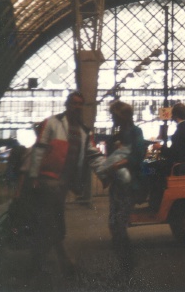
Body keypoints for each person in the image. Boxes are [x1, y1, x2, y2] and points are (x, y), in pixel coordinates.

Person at [26, 91, 90, 278]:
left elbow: (85, 158)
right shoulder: (53, 123)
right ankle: (61, 262)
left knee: (52, 223)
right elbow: (39, 149)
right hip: (49, 180)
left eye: (80, 104)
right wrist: (34, 176)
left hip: (64, 183)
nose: (76, 106)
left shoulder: (84, 131)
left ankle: (46, 262)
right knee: (52, 223)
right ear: (67, 104)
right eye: (74, 103)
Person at [104, 101, 146, 274]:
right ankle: (126, 264)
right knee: (114, 225)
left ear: (123, 115)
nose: (112, 118)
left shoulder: (136, 132)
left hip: (129, 186)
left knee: (118, 225)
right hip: (117, 186)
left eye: (114, 115)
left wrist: (119, 163)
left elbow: (138, 155)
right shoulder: (116, 136)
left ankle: (127, 266)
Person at [148, 103, 185, 209]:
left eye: (172, 115)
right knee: (155, 166)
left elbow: (173, 153)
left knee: (150, 168)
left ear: (175, 116)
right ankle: (155, 200)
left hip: (180, 165)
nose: (171, 117)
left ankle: (155, 202)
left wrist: (160, 148)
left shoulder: (180, 131)